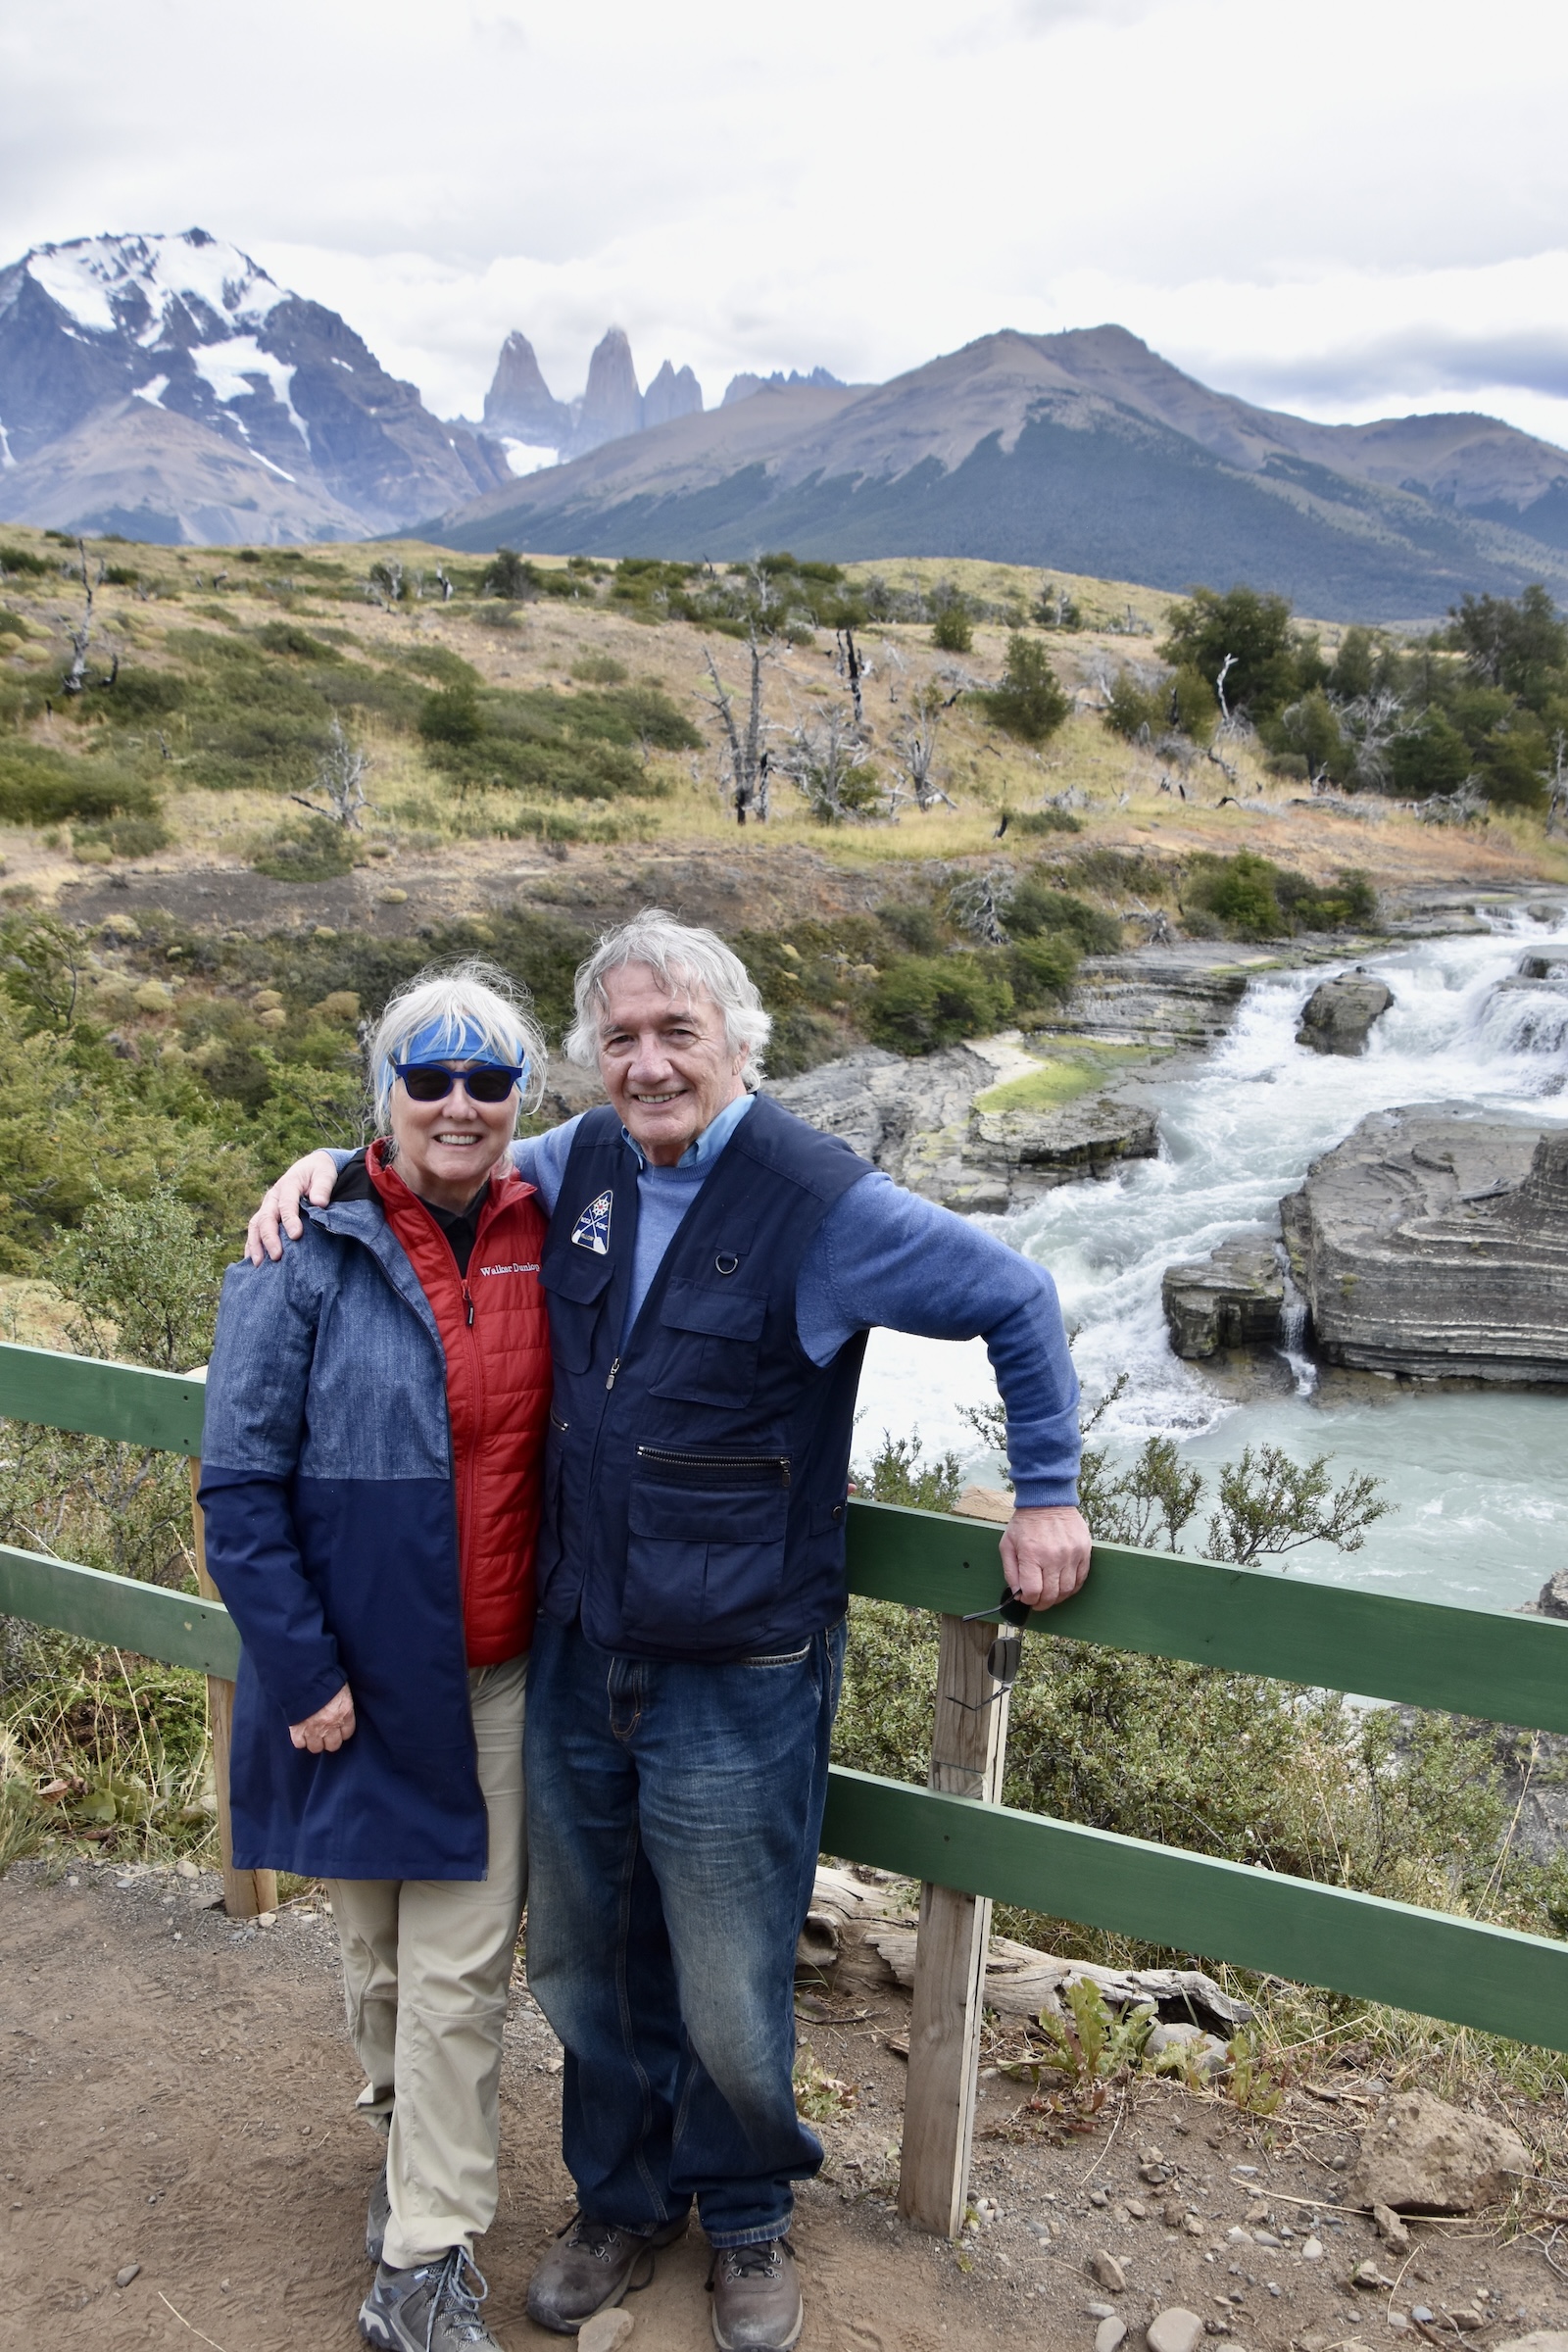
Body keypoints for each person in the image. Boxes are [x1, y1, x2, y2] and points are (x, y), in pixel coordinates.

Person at [248, 911, 1090, 2352]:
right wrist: (329, 1168)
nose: (647, 1064)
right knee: (582, 1958)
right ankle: (624, 2202)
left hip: (742, 1664)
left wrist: (1050, 1491)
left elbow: (1014, 1296)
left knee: (726, 1963)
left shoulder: (822, 1200)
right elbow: (431, 1163)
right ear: (590, 1063)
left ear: (741, 1043)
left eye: (675, 1033)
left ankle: (750, 2214)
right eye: (620, 1039)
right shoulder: (576, 1165)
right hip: (583, 1645)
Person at [204, 961, 552, 2352]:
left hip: (500, 1669)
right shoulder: (302, 1250)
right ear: (385, 1094)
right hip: (350, 1670)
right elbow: (239, 1488)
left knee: (461, 1970)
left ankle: (422, 2256)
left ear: (524, 1093)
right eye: (428, 1076)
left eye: (489, 1077)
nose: (459, 1103)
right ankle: (411, 2151)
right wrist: (306, 1673)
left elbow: (686, 1127)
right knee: (379, 1954)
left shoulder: (559, 1213)